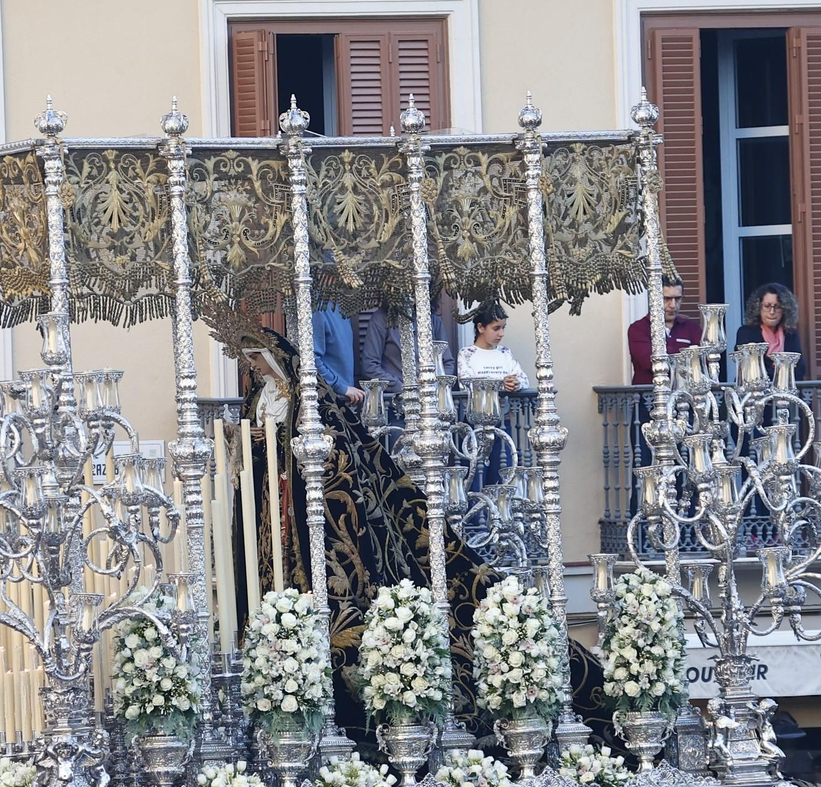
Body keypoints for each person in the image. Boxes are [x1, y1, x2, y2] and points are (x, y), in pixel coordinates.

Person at [229, 330, 608, 743]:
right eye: (248, 358)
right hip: (271, 500)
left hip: (307, 507)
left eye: (256, 357)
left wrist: (280, 440)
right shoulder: (257, 395)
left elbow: (331, 450)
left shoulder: (309, 397)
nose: (253, 365)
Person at [456, 302, 529, 488]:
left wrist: (516, 383)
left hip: (502, 423)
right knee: (474, 477)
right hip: (475, 423)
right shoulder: (467, 354)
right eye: (496, 328)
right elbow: (466, 384)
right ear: (481, 327)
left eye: (503, 328)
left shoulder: (505, 353)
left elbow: (523, 378)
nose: (501, 333)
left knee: (501, 476)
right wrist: (500, 385)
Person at [357, 305, 455, 395]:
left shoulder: (433, 319)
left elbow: (447, 362)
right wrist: (400, 387)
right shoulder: (381, 319)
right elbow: (369, 366)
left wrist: (435, 386)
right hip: (396, 402)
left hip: (431, 399)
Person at [627, 275, 703, 385]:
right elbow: (649, 362)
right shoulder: (638, 329)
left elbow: (701, 362)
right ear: (653, 299)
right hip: (649, 397)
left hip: (685, 396)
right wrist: (686, 354)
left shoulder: (692, 328)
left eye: (677, 299)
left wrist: (666, 353)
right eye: (666, 299)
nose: (673, 305)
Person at [733, 282, 808, 383]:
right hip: (752, 394)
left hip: (786, 394)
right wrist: (782, 372)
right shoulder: (746, 333)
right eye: (767, 306)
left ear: (785, 310)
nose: (772, 312)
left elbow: (799, 370)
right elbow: (749, 369)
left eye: (777, 307)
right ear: (758, 307)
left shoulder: (791, 334)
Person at [312, 304, 364, 406]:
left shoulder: (341, 307)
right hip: (326, 401)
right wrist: (339, 386)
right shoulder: (318, 308)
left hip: (346, 400)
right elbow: (310, 360)